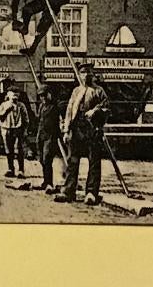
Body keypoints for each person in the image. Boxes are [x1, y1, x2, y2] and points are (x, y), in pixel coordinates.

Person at [55, 62, 110, 205]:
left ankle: (91, 193)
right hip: (76, 130)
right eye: (83, 73)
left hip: (92, 130)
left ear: (92, 75)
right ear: (79, 75)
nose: (86, 75)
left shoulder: (99, 91)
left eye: (88, 73)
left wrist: (96, 110)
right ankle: (68, 191)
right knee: (72, 162)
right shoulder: (76, 91)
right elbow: (69, 110)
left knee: (94, 162)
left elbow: (106, 108)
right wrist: (66, 130)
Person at [0, 87, 29, 178]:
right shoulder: (4, 105)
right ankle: (10, 168)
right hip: (6, 128)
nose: (15, 96)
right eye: (12, 94)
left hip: (17, 129)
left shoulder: (21, 106)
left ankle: (21, 170)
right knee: (8, 149)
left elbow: (26, 119)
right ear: (8, 95)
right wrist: (7, 111)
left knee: (18, 149)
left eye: (16, 94)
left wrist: (25, 130)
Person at [35, 84, 62, 193]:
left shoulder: (55, 106)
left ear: (49, 94)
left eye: (45, 95)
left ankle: (49, 183)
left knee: (47, 159)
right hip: (41, 135)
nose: (43, 98)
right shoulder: (41, 106)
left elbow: (59, 122)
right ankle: (45, 181)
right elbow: (39, 121)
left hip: (50, 136)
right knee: (41, 159)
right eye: (41, 96)